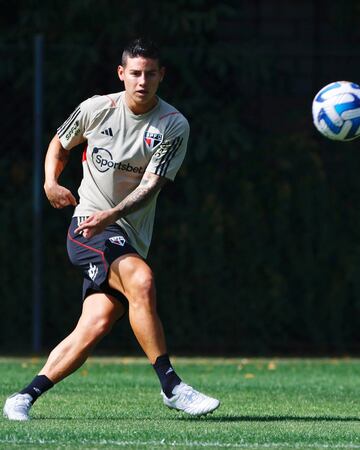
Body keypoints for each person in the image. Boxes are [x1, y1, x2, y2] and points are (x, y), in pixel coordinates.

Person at [3, 37, 220, 421]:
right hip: (87, 227)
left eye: (150, 73)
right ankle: (171, 385)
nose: (142, 81)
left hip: (125, 232)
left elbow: (151, 185)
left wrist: (113, 214)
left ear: (161, 76)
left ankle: (23, 397)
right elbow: (60, 142)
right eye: (135, 73)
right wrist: (50, 182)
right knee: (143, 281)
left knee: (95, 324)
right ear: (121, 74)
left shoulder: (173, 125)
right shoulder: (96, 108)